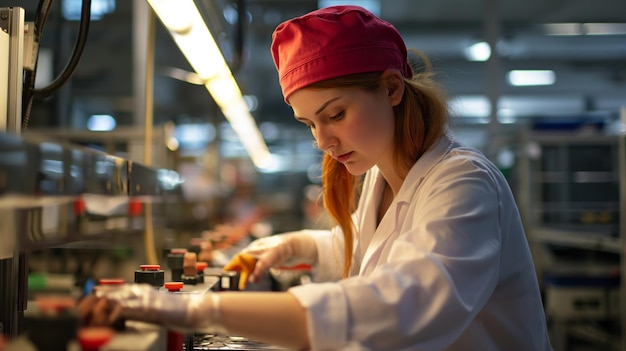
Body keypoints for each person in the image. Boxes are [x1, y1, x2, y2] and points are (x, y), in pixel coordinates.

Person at [80, 5, 552, 350]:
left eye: (336, 114)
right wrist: (295, 245)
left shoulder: (463, 183)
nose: (322, 141)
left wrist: (195, 309)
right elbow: (379, 252)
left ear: (391, 88)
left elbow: (398, 303)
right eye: (310, 124)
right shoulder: (384, 179)